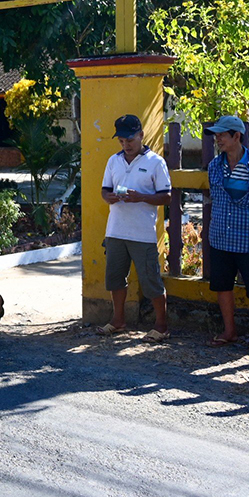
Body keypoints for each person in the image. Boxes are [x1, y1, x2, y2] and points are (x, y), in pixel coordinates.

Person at [204, 115, 249, 357]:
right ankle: (229, 331)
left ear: (237, 136)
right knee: (222, 286)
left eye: (222, 135)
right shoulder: (215, 166)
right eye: (216, 135)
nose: (218, 140)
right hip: (221, 237)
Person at [99, 114, 172, 341]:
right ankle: (118, 320)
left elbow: (167, 197)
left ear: (141, 135)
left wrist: (141, 197)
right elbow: (104, 190)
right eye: (121, 140)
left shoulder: (156, 162)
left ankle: (162, 326)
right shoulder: (113, 161)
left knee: (150, 280)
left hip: (142, 233)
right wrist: (109, 197)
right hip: (115, 231)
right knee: (115, 277)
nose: (125, 145)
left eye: (129, 140)